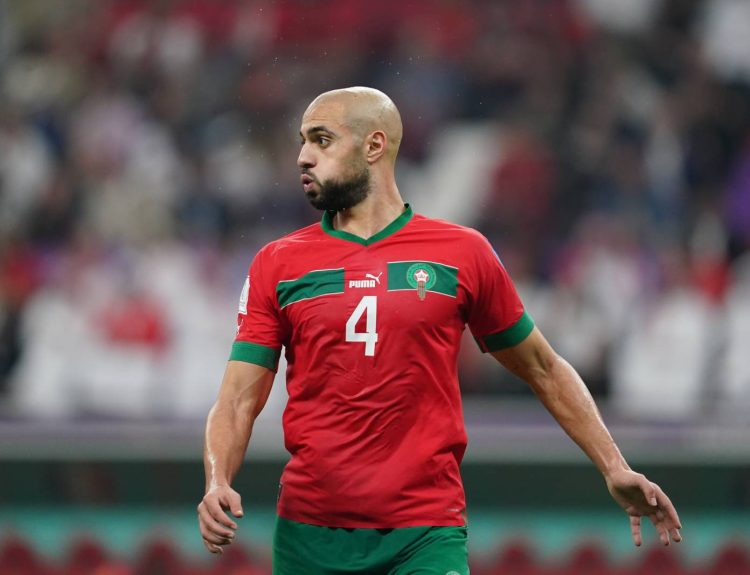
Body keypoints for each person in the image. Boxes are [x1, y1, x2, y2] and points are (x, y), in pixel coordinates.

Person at [197, 87, 682, 574]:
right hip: (309, 536)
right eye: (303, 141)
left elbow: (543, 368)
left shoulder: (462, 254)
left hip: (425, 534)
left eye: (322, 140)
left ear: (374, 146)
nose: (304, 157)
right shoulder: (278, 264)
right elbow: (237, 399)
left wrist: (614, 466)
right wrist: (217, 480)